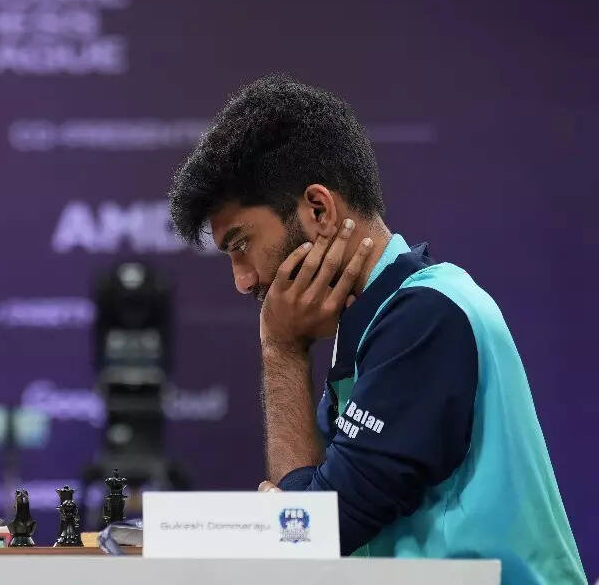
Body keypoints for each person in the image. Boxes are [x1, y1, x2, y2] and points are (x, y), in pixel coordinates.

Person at [167, 74, 584, 583]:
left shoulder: (426, 317)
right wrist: (294, 519)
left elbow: (304, 541)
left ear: (318, 209)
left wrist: (281, 350)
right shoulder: (382, 322)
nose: (243, 280)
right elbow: (305, 534)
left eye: (240, 245)